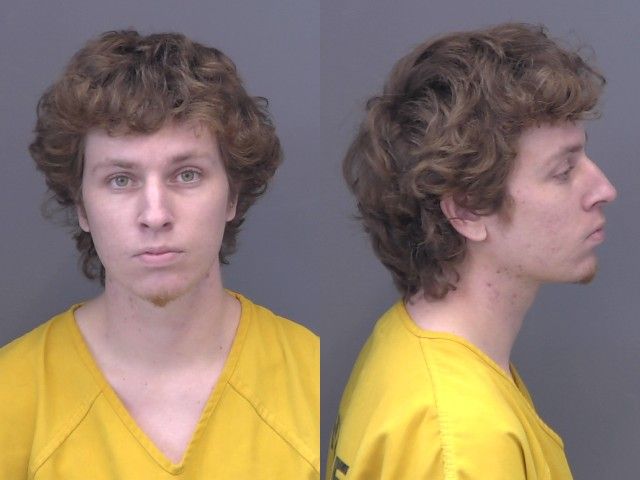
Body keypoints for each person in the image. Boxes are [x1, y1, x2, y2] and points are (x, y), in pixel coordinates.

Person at [0, 30, 319, 479]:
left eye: (187, 175)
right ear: (81, 206)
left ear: (232, 195)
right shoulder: (11, 397)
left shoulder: (311, 375)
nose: (155, 215)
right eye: (120, 179)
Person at [327, 23, 616, 479]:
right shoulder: (464, 441)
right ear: (467, 209)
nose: (604, 189)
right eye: (563, 171)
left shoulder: (404, 339)